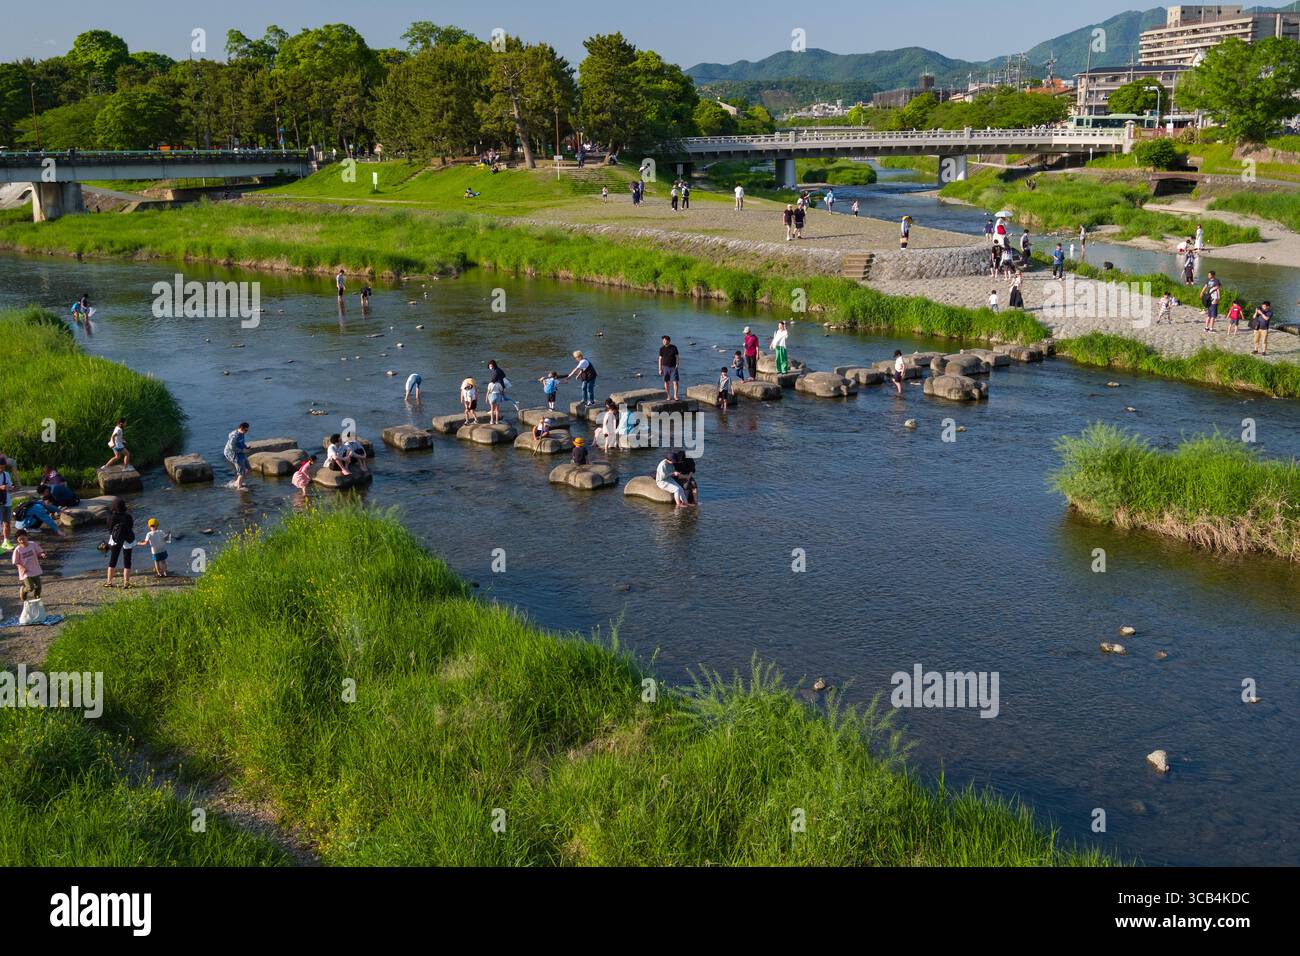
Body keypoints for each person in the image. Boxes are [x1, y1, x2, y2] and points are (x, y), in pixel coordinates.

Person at [104, 498, 135, 589]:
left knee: (113, 560)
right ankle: (126, 583)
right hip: (128, 539)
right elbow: (131, 526)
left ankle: (109, 582)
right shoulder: (128, 516)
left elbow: (110, 530)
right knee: (127, 561)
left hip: (115, 539)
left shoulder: (111, 517)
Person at [11, 530, 45, 602]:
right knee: (30, 587)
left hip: (35, 569)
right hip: (25, 571)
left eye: (23, 538)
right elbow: (15, 562)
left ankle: (37, 599)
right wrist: (22, 567)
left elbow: (39, 552)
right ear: (17, 541)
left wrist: (42, 554)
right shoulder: (17, 550)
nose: (22, 541)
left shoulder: (33, 544)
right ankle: (23, 590)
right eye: (19, 540)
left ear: (27, 537)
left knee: (39, 586)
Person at [224, 422, 252, 490]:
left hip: (240, 452)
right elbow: (232, 448)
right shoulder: (234, 436)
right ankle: (239, 488)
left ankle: (237, 482)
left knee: (249, 469)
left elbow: (241, 443)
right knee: (241, 472)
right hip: (232, 454)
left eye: (247, 430)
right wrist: (243, 451)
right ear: (241, 428)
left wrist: (246, 447)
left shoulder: (242, 433)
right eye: (245, 430)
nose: (246, 432)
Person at [658, 335, 680, 401]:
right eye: (663, 340)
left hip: (673, 367)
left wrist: (677, 364)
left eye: (665, 340)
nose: (663, 342)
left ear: (669, 341)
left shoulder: (674, 347)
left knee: (675, 382)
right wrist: (660, 369)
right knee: (666, 382)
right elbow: (660, 359)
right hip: (665, 367)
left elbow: (677, 357)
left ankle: (675, 396)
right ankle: (668, 396)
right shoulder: (661, 349)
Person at [0, 456, 14, 552]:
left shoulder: (6, 474)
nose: (2, 469)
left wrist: (11, 487)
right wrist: (1, 487)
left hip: (7, 502)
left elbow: (10, 485)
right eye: (0, 467)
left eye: (4, 467)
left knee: (7, 523)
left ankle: (6, 542)